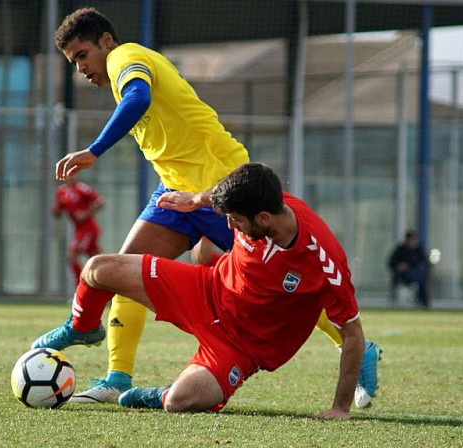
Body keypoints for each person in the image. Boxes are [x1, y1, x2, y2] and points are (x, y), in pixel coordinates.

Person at [39, 7, 380, 406]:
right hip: (177, 192)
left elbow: (138, 96)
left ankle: (357, 343)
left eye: (82, 55)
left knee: (280, 281)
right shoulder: (120, 68)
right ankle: (116, 376)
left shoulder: (125, 58)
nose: (79, 68)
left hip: (222, 190)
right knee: (123, 267)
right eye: (72, 61)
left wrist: (94, 151)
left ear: (106, 41)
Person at [33, 163, 368, 418]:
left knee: (181, 401)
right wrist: (197, 200)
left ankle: (154, 394)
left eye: (235, 220)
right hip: (204, 290)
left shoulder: (323, 260)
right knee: (96, 270)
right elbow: (233, 184)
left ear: (264, 218)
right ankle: (83, 328)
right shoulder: (261, 197)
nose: (229, 226)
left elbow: (352, 334)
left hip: (243, 347)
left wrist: (340, 408)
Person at [52, 175, 104, 283]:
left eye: (73, 175)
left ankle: (81, 286)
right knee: (98, 260)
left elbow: (100, 203)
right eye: (68, 175)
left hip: (88, 228)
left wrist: (86, 213)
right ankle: (107, 287)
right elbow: (58, 210)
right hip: (79, 229)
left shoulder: (82, 188)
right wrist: (55, 211)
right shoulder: (61, 191)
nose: (70, 178)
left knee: (71, 257)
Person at [388, 230, 430, 309]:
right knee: (415, 278)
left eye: (414, 240)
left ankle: (424, 304)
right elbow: (391, 263)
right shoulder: (400, 250)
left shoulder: (419, 250)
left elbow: (425, 263)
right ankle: (394, 302)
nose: (412, 242)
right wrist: (399, 266)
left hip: (415, 274)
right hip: (402, 275)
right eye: (410, 239)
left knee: (422, 280)